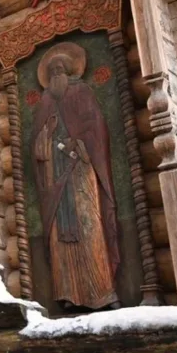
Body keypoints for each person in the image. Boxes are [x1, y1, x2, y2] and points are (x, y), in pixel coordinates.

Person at [30, 42, 121, 310]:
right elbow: (36, 141)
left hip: (81, 168)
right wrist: (48, 133)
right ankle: (68, 295)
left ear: (70, 70)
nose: (57, 73)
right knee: (61, 236)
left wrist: (79, 142)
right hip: (55, 173)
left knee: (89, 224)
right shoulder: (46, 100)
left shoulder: (82, 91)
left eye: (61, 68)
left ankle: (104, 292)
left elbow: (95, 126)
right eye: (52, 70)